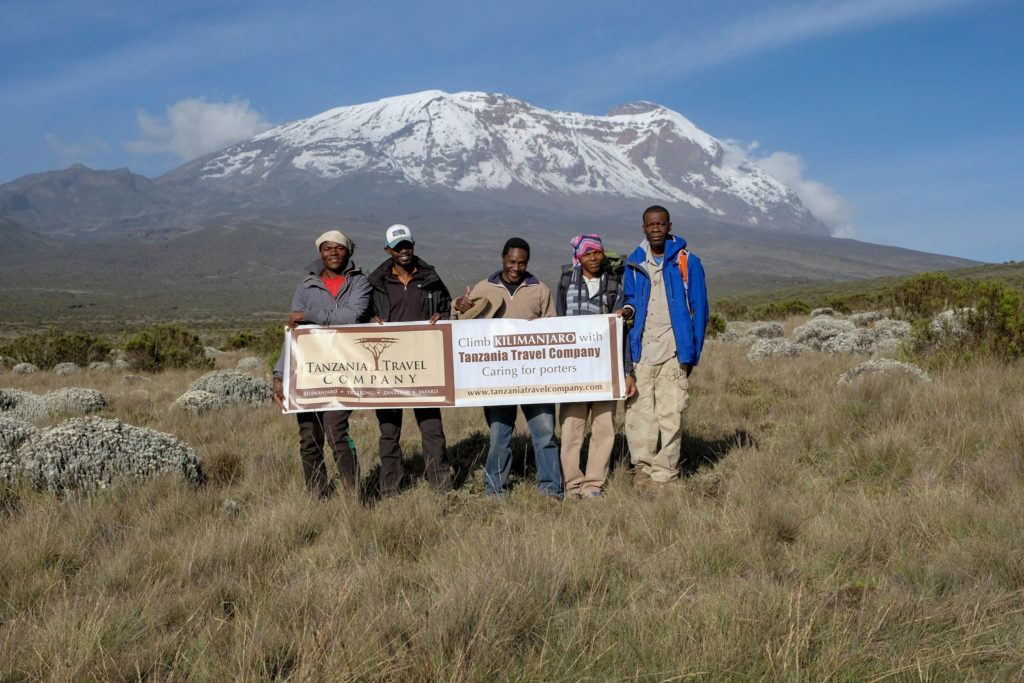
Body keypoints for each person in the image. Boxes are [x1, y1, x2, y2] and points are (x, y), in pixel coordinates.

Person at [452, 237, 562, 499]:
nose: (516, 267)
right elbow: (462, 323)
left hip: (536, 376)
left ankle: (550, 489)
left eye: (522, 263)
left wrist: (542, 326)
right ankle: (495, 490)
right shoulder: (483, 287)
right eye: (511, 261)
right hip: (497, 378)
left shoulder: (540, 290)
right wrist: (458, 306)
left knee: (545, 433)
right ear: (502, 258)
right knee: (499, 436)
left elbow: (555, 330)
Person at [272, 230, 372, 497]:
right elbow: (293, 333)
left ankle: (353, 494)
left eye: (339, 248)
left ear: (348, 252)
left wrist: (308, 315)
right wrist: (280, 374)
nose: (334, 253)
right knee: (308, 435)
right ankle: (318, 495)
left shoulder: (359, 282)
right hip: (309, 372)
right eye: (328, 248)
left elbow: (351, 316)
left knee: (336, 430)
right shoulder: (306, 286)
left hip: (346, 371)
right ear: (320, 252)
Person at [621, 206, 709, 487]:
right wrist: (627, 311)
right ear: (643, 228)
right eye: (650, 224)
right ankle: (642, 470)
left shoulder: (687, 262)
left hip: (674, 352)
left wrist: (691, 353)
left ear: (669, 226)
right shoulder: (634, 263)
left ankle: (665, 474)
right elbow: (630, 299)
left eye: (661, 224)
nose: (656, 228)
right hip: (642, 351)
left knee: (672, 414)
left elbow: (700, 308)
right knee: (639, 414)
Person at [367, 224, 453, 496]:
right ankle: (391, 487)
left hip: (424, 365)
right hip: (388, 369)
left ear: (413, 245)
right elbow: (363, 316)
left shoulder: (430, 278)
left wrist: (443, 315)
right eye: (398, 246)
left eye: (408, 245)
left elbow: (445, 307)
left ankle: (440, 486)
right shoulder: (376, 283)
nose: (404, 250)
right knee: (389, 431)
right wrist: (371, 320)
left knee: (432, 428)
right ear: (388, 250)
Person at [555, 234, 635, 499]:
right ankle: (572, 484)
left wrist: (626, 371)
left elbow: (620, 332)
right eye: (587, 254)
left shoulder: (613, 284)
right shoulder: (567, 282)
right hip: (574, 371)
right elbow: (557, 325)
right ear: (578, 256)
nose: (593, 258)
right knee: (571, 429)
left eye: (597, 253)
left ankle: (593, 485)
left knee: (603, 429)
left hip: (605, 369)